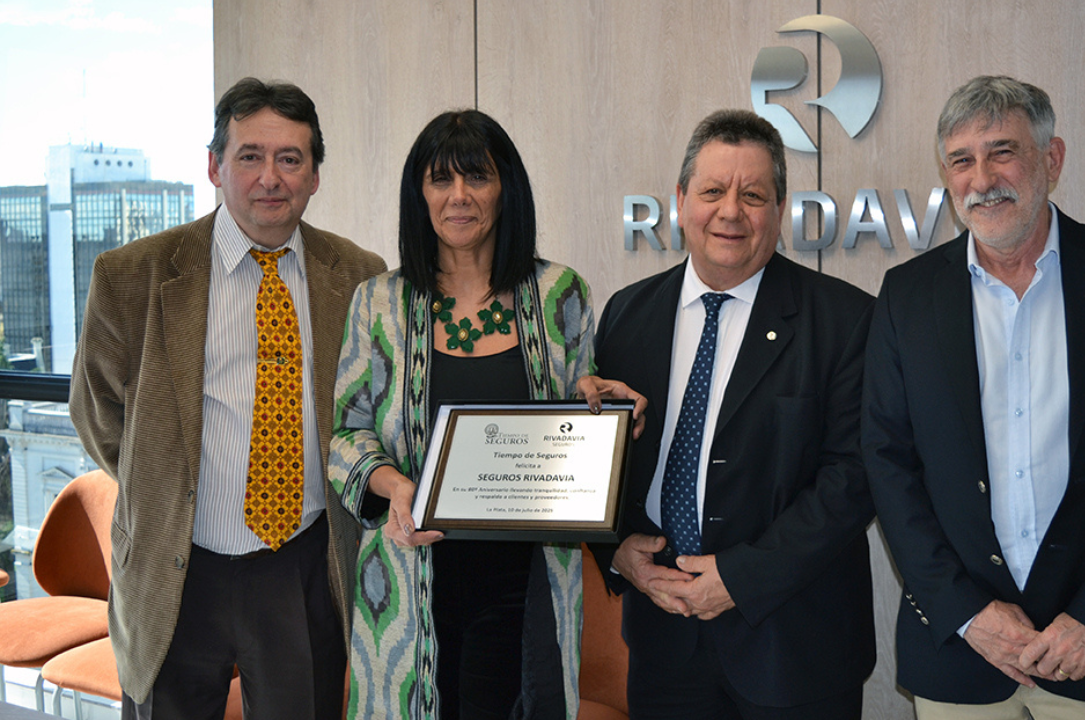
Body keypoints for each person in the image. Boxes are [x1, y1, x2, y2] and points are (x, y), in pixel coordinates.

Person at [862, 75, 1085, 719]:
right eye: (961, 160)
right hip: (962, 656)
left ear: (1051, 160)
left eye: (1002, 151)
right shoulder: (906, 296)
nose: (981, 178)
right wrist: (965, 613)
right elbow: (889, 465)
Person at [69, 77, 386, 718]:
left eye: (290, 158)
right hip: (174, 570)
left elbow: (370, 414)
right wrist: (167, 491)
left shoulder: (356, 277)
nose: (270, 177)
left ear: (315, 175)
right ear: (215, 166)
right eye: (250, 156)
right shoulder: (133, 276)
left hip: (302, 566)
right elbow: (100, 416)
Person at [579, 109, 877, 719]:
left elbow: (853, 478)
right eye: (712, 191)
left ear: (782, 209)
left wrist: (741, 577)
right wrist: (616, 548)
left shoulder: (845, 321)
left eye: (754, 195)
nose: (730, 211)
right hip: (665, 642)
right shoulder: (626, 313)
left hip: (795, 648)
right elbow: (599, 457)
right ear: (681, 200)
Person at [329, 109, 623, 720]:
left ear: (505, 188)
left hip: (528, 579)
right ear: (420, 194)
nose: (459, 197)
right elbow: (345, 435)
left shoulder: (561, 293)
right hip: (410, 575)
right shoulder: (378, 301)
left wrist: (599, 404)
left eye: (477, 178)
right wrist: (396, 487)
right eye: (441, 180)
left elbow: (581, 424)